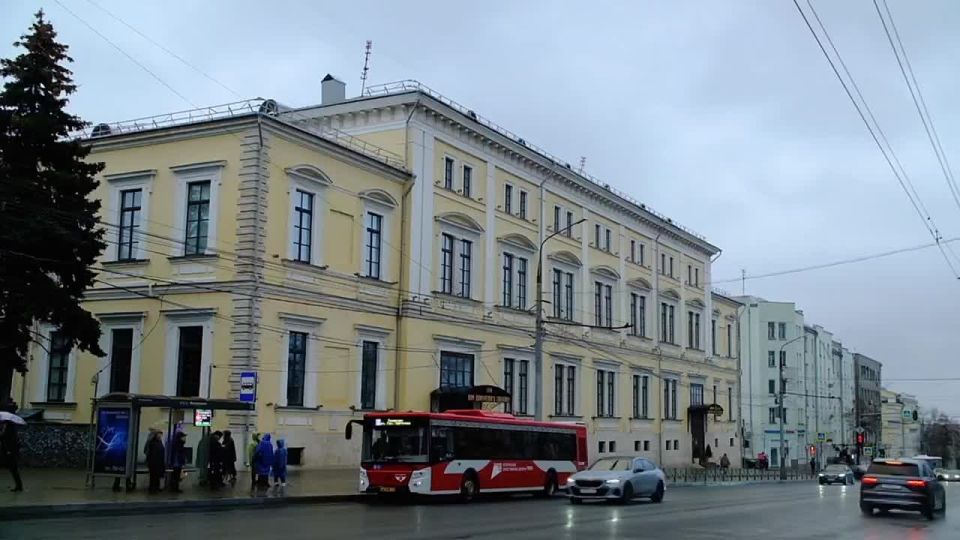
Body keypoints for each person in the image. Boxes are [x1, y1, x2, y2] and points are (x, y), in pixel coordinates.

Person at [0, 421, 23, 492]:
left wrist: (10, 450)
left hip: (10, 452)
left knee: (13, 469)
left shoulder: (10, 428)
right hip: (5, 451)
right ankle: (19, 486)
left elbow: (12, 440)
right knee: (13, 469)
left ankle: (19, 486)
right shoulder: (4, 427)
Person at [145, 429, 166, 494]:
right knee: (153, 476)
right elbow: (149, 452)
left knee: (157, 476)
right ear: (155, 435)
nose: (160, 435)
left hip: (159, 462)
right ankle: (152, 489)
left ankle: (156, 488)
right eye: (159, 434)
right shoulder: (152, 442)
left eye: (161, 434)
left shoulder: (159, 442)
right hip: (153, 463)